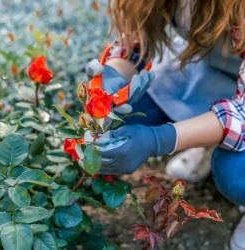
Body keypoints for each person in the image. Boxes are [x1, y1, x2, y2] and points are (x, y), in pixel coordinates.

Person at [83, 0, 245, 249]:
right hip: (206, 67)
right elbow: (134, 44)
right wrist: (111, 80)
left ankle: (211, 140)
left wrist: (159, 139)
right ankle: (207, 141)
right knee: (126, 111)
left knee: (236, 173)